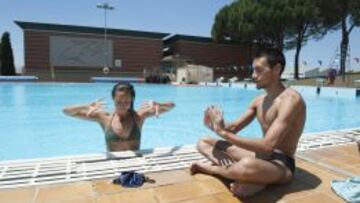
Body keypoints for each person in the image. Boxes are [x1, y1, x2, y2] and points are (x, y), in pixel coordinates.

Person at [191, 49, 306, 197]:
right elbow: (233, 128)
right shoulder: (258, 101)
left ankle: (212, 169)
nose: (253, 76)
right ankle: (256, 180)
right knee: (203, 141)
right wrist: (216, 124)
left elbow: (267, 146)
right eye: (253, 70)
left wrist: (223, 133)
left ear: (277, 69)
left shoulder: (291, 100)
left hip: (281, 164)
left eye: (258, 70)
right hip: (260, 157)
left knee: (245, 165)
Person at [63, 83, 175, 151]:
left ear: (131, 100)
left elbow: (171, 107)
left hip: (136, 165)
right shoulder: (104, 117)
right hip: (112, 167)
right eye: (119, 100)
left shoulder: (139, 116)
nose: (122, 103)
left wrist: (161, 104)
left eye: (126, 100)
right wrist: (86, 106)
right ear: (113, 98)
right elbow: (66, 111)